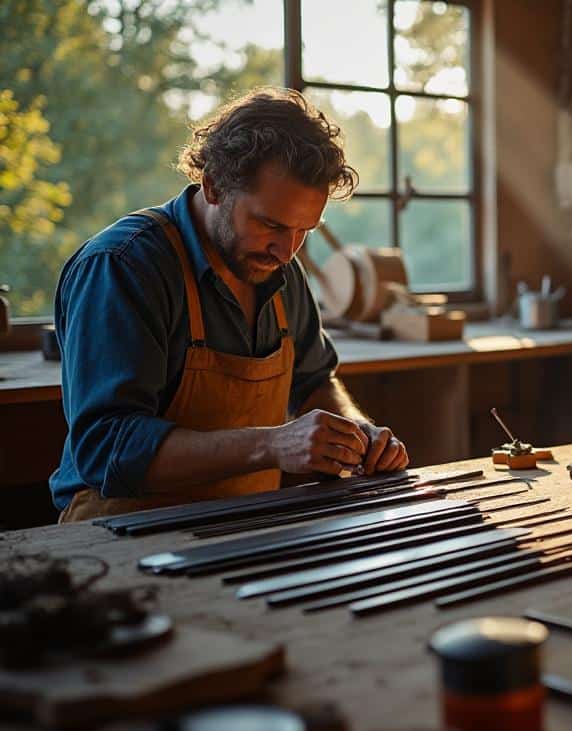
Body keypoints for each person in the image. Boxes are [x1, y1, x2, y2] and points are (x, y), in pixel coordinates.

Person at [50, 87, 408, 522]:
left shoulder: (279, 268)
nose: (286, 251)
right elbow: (108, 448)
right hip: (122, 529)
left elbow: (314, 381)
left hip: (241, 525)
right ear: (214, 185)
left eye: (304, 230)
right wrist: (273, 444)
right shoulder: (123, 266)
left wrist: (358, 434)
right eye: (270, 223)